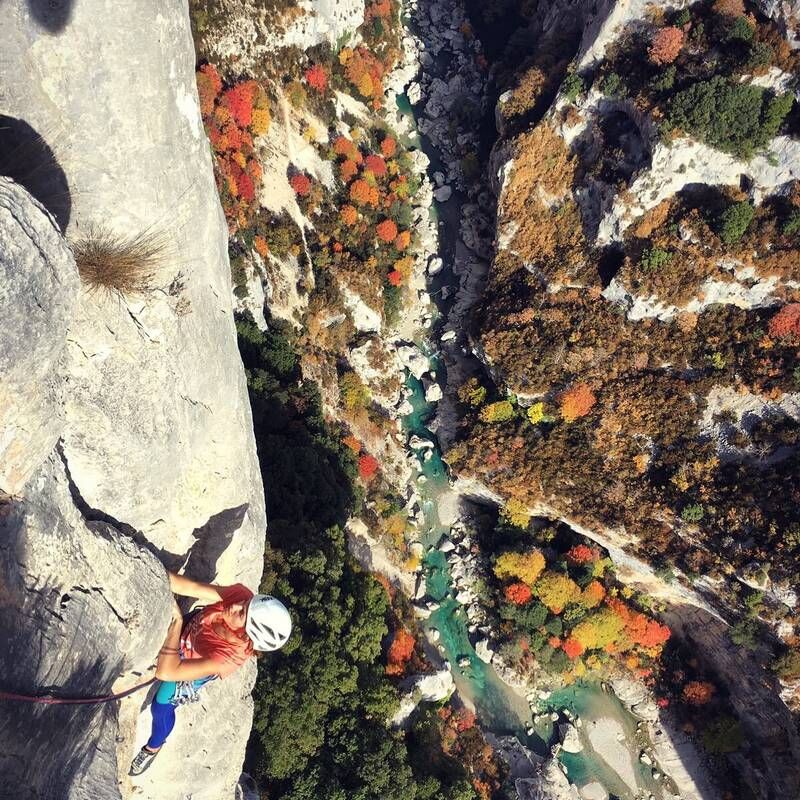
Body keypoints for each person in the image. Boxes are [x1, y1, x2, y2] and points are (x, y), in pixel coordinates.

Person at [129, 571, 292, 776]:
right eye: (247, 603)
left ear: (246, 634)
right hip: (192, 628)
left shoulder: (225, 657)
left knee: (161, 706)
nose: (236, 605)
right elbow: (192, 587)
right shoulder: (241, 597)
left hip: (191, 660)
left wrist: (177, 623)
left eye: (243, 612)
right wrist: (153, 570)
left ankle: (153, 747)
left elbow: (166, 671)